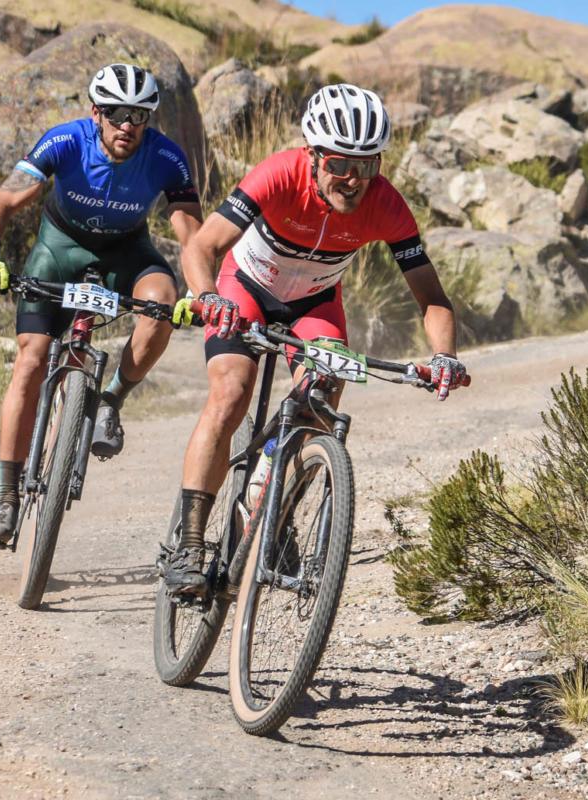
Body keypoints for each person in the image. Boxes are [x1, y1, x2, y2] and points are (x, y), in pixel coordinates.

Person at [163, 83, 468, 592]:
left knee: (321, 400)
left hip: (314, 303)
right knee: (232, 390)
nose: (352, 179)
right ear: (312, 154)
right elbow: (202, 246)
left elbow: (431, 296)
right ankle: (190, 545)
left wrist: (445, 355)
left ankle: (273, 510)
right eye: (338, 164)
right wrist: (207, 296)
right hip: (245, 288)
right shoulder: (278, 174)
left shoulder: (387, 204)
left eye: (366, 166)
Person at [0, 63, 203, 544]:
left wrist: (202, 292)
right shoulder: (65, 141)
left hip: (126, 252)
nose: (127, 125)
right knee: (31, 360)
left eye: (139, 115)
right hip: (59, 248)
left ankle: (111, 400)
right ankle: (7, 497)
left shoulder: (166, 157)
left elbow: (191, 233)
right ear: (96, 112)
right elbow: (3, 201)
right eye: (116, 113)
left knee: (162, 303)